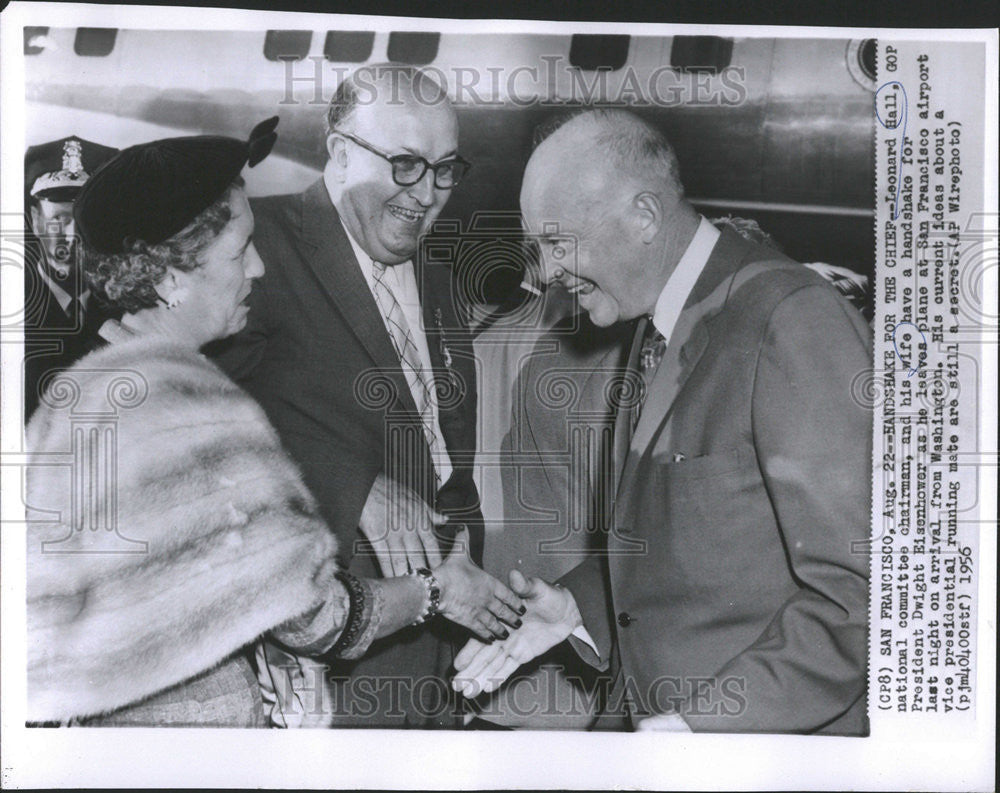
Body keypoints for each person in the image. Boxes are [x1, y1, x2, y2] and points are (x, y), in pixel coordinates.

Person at [26, 120, 523, 728]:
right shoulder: (197, 408)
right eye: (239, 252)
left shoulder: (78, 391)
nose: (259, 269)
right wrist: (438, 592)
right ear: (173, 276)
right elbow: (318, 618)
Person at [452, 109, 873, 735]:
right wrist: (575, 609)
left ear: (644, 216)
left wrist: (698, 729)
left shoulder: (791, 318)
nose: (543, 271)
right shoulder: (654, 326)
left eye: (556, 243)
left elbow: (865, 599)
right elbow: (685, 539)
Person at [210, 64, 499, 728]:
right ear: (340, 153)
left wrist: (467, 575)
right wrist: (351, 486)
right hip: (323, 656)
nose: (425, 194)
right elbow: (203, 425)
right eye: (404, 164)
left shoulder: (441, 277)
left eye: (445, 169)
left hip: (438, 653)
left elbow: (448, 459)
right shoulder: (259, 251)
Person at [22, 136, 119, 420]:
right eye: (60, 219)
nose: (73, 236)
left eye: (86, 220)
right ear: (36, 221)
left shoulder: (127, 307)